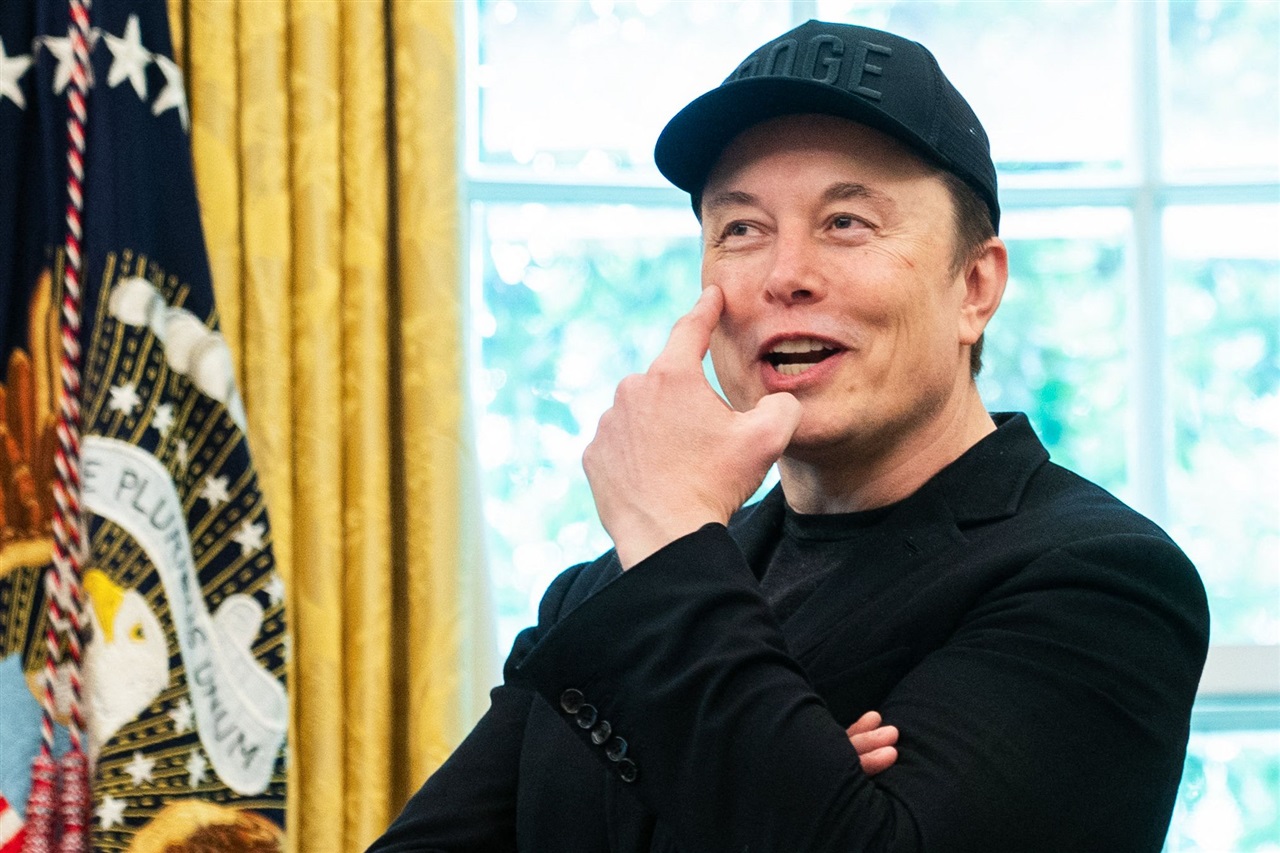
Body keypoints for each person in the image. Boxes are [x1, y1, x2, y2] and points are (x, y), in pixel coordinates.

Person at [369, 19, 1209, 853]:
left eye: (846, 221)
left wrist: (670, 536)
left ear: (975, 287)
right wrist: (794, 781)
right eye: (741, 229)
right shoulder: (607, 592)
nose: (785, 275)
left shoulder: (1102, 583)